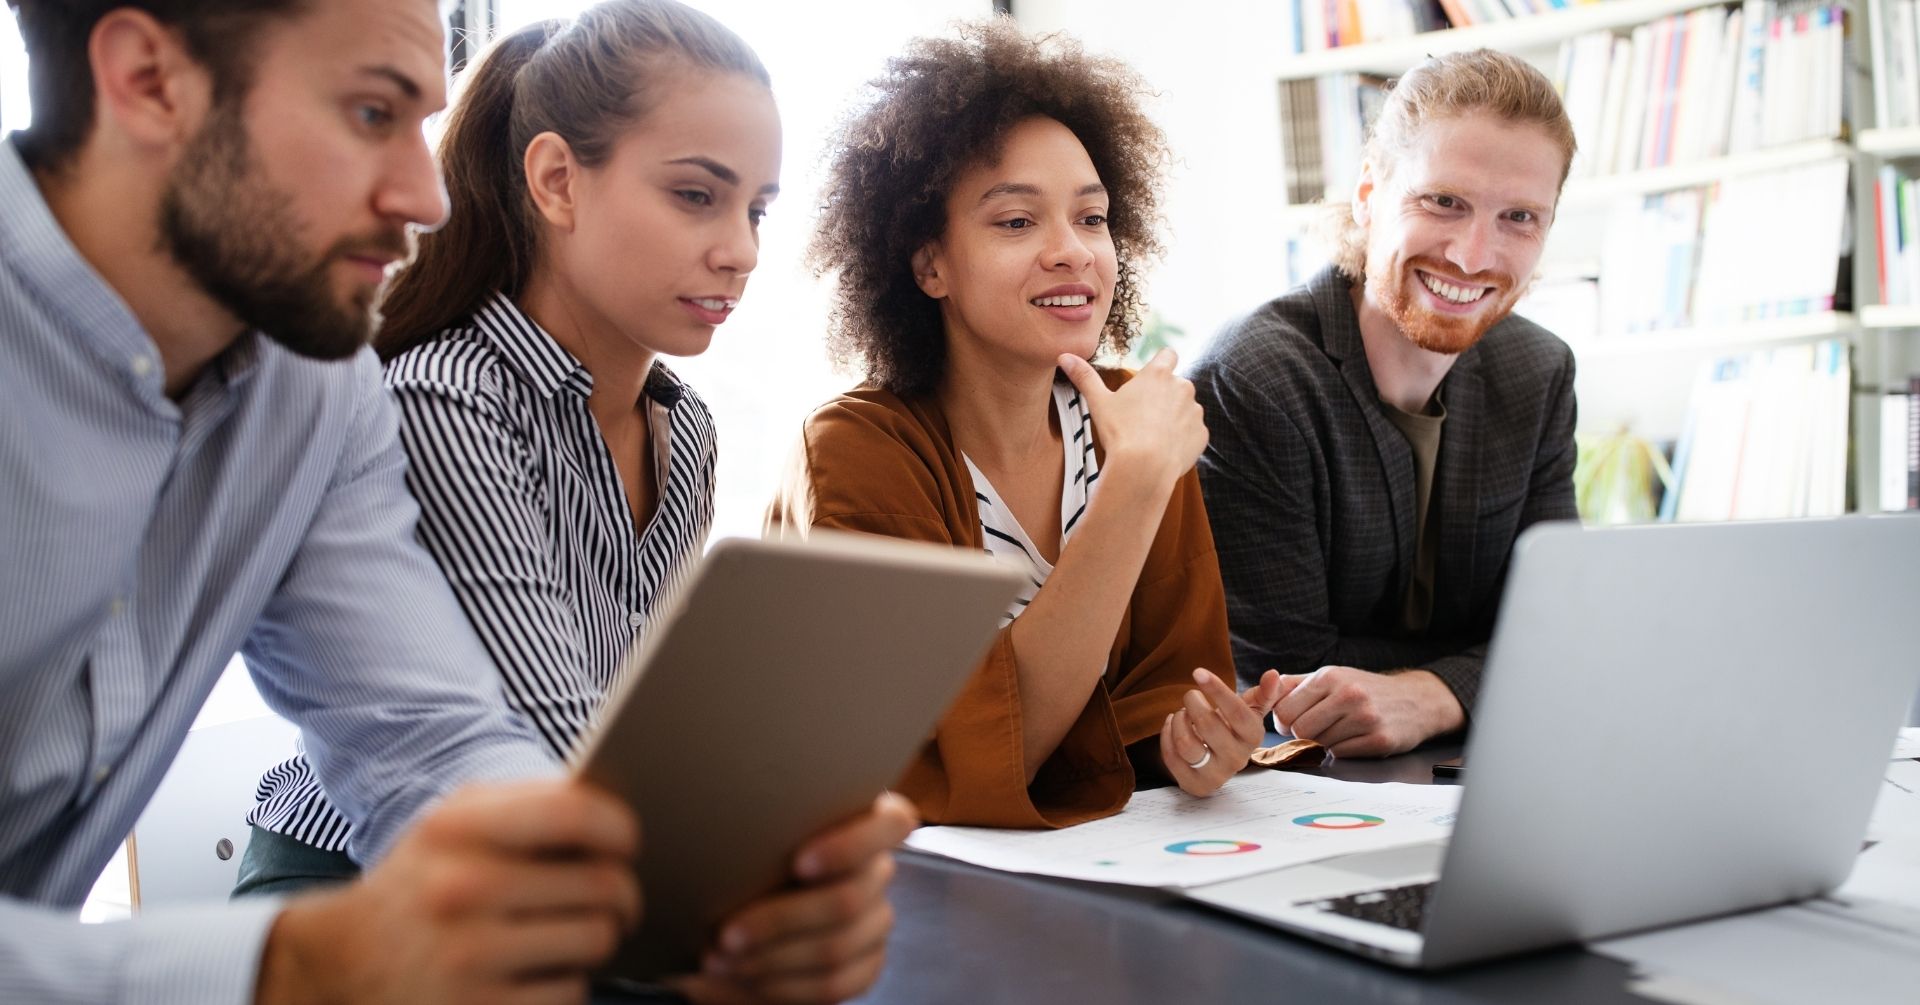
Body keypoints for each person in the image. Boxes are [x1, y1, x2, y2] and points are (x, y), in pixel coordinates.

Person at [0, 2, 906, 1002]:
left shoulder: (315, 392)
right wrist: (295, 966)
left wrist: (697, 902)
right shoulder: (432, 394)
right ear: (147, 80)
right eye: (371, 113)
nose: (428, 198)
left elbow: (430, 739)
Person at [767, 19, 1284, 830]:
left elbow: (1164, 693)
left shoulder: (1134, 418)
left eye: (1092, 218)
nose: (1073, 251)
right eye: (1016, 222)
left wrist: (1197, 745)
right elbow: (963, 763)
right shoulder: (855, 453)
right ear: (929, 264)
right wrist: (1133, 485)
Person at [1188, 49, 1581, 759]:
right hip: (1301, 782)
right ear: (1369, 194)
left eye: (1519, 217)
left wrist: (1433, 695)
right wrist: (1487, 666)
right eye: (1444, 202)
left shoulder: (1539, 371)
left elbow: (1560, 628)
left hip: (1479, 764)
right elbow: (1290, 677)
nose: (1472, 254)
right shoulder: (1255, 379)